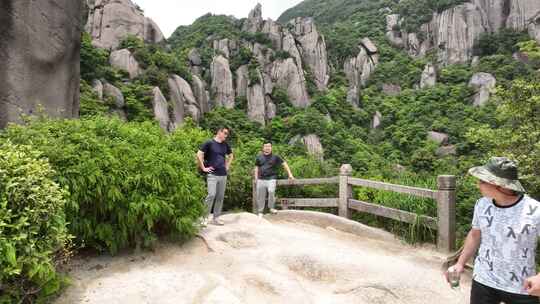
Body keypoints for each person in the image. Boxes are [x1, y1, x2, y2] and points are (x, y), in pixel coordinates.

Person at [445, 157, 540, 303]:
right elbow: (475, 234)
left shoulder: (534, 210)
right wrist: (460, 263)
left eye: (482, 181)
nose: (478, 184)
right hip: (484, 280)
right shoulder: (482, 204)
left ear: (499, 185)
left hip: (522, 285)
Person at [196, 127, 234, 226]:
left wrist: (227, 166)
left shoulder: (225, 145)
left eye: (227, 134)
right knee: (211, 195)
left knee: (220, 197)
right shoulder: (209, 143)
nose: (226, 135)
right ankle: (204, 218)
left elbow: (231, 155)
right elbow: (199, 154)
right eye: (225, 133)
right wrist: (203, 168)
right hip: (212, 174)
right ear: (219, 132)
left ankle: (216, 218)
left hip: (223, 174)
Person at [254, 142, 294, 218]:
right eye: (266, 146)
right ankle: (260, 211)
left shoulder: (275, 156)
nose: (267, 147)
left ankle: (271, 208)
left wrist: (290, 174)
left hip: (271, 178)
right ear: (263, 148)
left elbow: (284, 164)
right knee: (260, 196)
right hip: (261, 179)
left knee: (271, 191)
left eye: (269, 146)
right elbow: (256, 167)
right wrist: (256, 178)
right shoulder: (259, 157)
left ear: (271, 147)